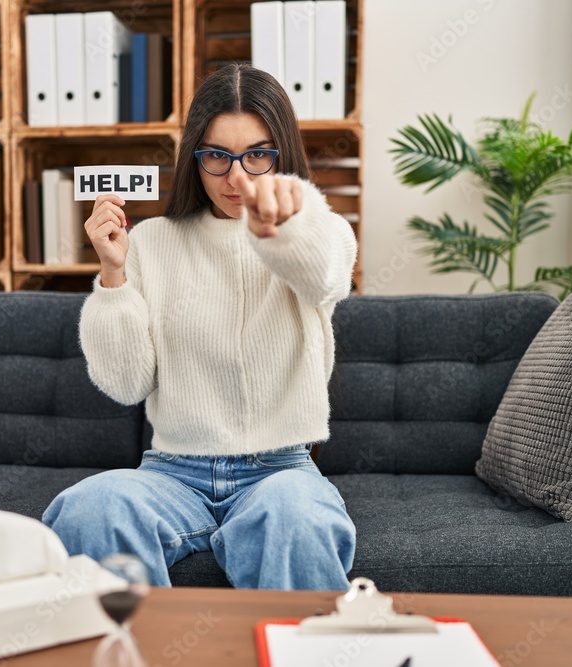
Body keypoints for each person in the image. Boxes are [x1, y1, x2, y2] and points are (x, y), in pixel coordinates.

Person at [42, 63, 358, 590]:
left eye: (258, 155)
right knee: (89, 508)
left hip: (279, 471)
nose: (237, 177)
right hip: (173, 472)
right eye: (218, 156)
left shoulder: (317, 229)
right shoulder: (150, 241)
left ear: (282, 154)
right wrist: (114, 273)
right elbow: (125, 384)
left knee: (297, 517)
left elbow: (325, 272)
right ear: (196, 157)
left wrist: (279, 227)